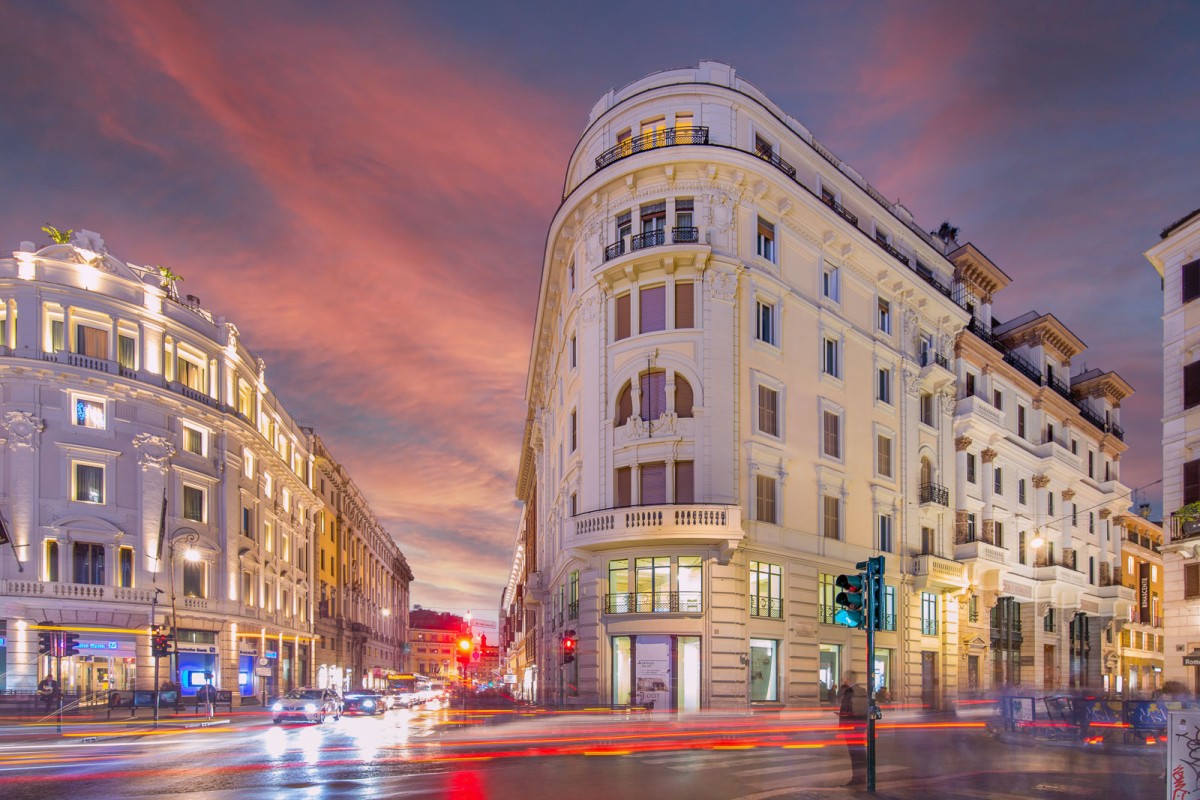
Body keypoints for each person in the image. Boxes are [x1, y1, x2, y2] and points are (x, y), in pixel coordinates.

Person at [837, 670, 868, 787]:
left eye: (844, 678)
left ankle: (858, 778)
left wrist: (846, 716)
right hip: (857, 726)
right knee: (858, 752)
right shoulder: (859, 690)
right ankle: (860, 777)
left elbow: (855, 710)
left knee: (856, 753)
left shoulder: (852, 691)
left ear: (848, 679)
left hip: (852, 727)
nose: (843, 680)